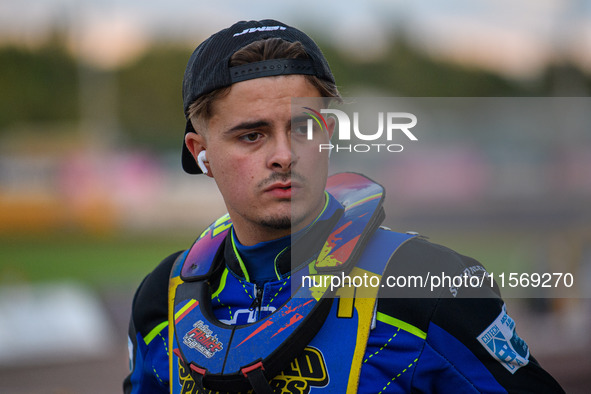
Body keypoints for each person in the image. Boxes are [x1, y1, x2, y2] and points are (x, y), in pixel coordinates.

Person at [124, 19, 564, 393]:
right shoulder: (159, 300)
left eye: (302, 127)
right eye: (251, 135)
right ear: (201, 153)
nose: (284, 154)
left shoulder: (427, 285)